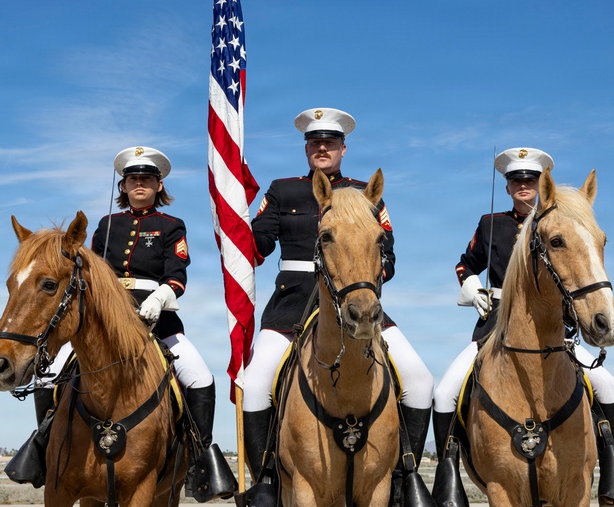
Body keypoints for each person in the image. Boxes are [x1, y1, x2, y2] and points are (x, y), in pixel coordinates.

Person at [242, 108, 435, 491]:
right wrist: (232, 222)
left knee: (420, 378)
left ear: (343, 148)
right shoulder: (283, 190)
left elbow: (388, 257)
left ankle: (405, 478)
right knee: (255, 385)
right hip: (291, 306)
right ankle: (266, 480)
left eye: (330, 142)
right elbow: (258, 246)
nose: (322, 148)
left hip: (353, 300)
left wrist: (364, 281)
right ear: (306, 148)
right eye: (315, 142)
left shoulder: (366, 192)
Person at [431, 147, 614, 505]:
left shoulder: (560, 223)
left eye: (530, 180)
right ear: (508, 186)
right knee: (445, 392)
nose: (523, 185)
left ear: (542, 185)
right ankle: (447, 476)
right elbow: (465, 264)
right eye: (515, 180)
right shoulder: (491, 224)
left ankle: (612, 464)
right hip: (495, 326)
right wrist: (470, 287)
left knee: (607, 384)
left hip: (556, 331)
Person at [88, 146, 235, 501]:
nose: (139, 184)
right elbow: (90, 273)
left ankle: (199, 461)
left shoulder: (171, 226)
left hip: (158, 322)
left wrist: (159, 297)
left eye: (147, 179)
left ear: (158, 185)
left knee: (201, 379)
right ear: (123, 187)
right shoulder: (107, 226)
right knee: (54, 373)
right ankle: (43, 448)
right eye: (133, 179)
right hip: (105, 323)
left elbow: (178, 277)